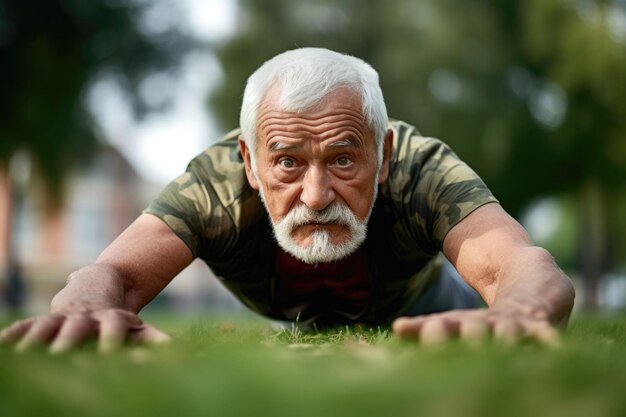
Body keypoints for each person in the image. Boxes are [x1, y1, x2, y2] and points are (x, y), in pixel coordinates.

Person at [0, 48, 575, 353]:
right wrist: (85, 311)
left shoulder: (421, 168)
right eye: (287, 163)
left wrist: (517, 309)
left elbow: (521, 266)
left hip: (423, 299)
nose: (317, 194)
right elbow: (112, 275)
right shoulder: (216, 184)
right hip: (287, 312)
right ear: (249, 161)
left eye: (344, 159)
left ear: (385, 152)